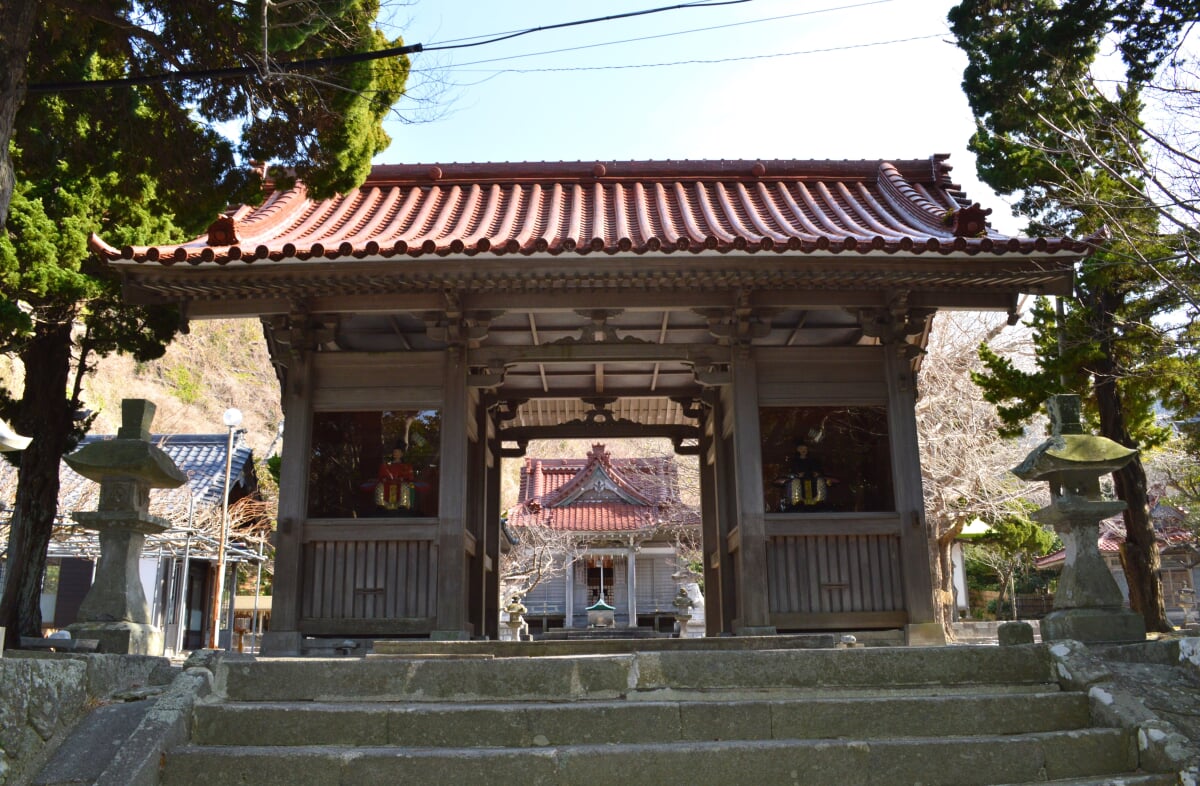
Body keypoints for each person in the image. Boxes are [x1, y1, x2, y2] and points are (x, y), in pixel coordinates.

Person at [777, 440, 835, 511]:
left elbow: (819, 472)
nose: (803, 450)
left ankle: (820, 501)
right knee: (796, 481)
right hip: (799, 483)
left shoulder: (813, 461)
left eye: (805, 449)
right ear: (797, 450)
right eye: (801, 449)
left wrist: (816, 474)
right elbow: (788, 474)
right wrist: (797, 475)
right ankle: (798, 501)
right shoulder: (793, 462)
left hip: (812, 483)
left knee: (820, 480)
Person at [375, 441, 416, 514]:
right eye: (395, 452)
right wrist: (384, 478)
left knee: (404, 486)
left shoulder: (406, 466)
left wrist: (403, 478)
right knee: (380, 486)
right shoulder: (387, 466)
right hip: (388, 483)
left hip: (400, 483)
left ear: (402, 454)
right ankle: (381, 504)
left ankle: (403, 504)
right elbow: (381, 476)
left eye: (398, 452)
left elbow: (410, 477)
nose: (396, 454)